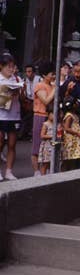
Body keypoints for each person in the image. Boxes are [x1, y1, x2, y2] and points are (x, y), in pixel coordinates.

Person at [31, 62, 55, 177]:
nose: (54, 76)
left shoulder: (51, 85)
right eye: (52, 74)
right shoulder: (39, 86)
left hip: (50, 117)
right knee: (37, 143)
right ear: (45, 75)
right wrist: (55, 89)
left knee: (49, 145)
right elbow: (46, 101)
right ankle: (36, 171)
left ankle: (47, 169)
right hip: (40, 116)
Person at [0, 53, 22, 181]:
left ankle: (9, 171)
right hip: (1, 115)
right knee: (0, 141)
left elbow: (21, 96)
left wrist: (18, 90)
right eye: (8, 67)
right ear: (1, 67)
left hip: (13, 115)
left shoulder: (16, 79)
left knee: (12, 144)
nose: (11, 70)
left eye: (13, 67)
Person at [61, 97, 80, 171]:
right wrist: (78, 133)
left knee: (73, 158)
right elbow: (67, 128)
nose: (77, 104)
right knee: (68, 159)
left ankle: (71, 172)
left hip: (74, 140)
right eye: (76, 103)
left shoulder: (73, 114)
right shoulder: (69, 116)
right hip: (70, 140)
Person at [19, 64, 41, 140]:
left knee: (29, 116)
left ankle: (22, 133)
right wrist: (23, 89)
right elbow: (23, 96)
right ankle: (24, 133)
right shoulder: (24, 80)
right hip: (29, 102)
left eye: (30, 71)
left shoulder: (39, 80)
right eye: (26, 72)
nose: (28, 73)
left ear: (34, 72)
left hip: (38, 101)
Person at [37, 105, 55, 175]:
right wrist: (51, 136)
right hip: (47, 147)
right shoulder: (46, 124)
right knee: (45, 164)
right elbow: (42, 135)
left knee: (52, 163)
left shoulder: (57, 124)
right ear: (48, 114)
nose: (55, 115)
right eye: (52, 113)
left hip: (54, 145)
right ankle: (43, 178)